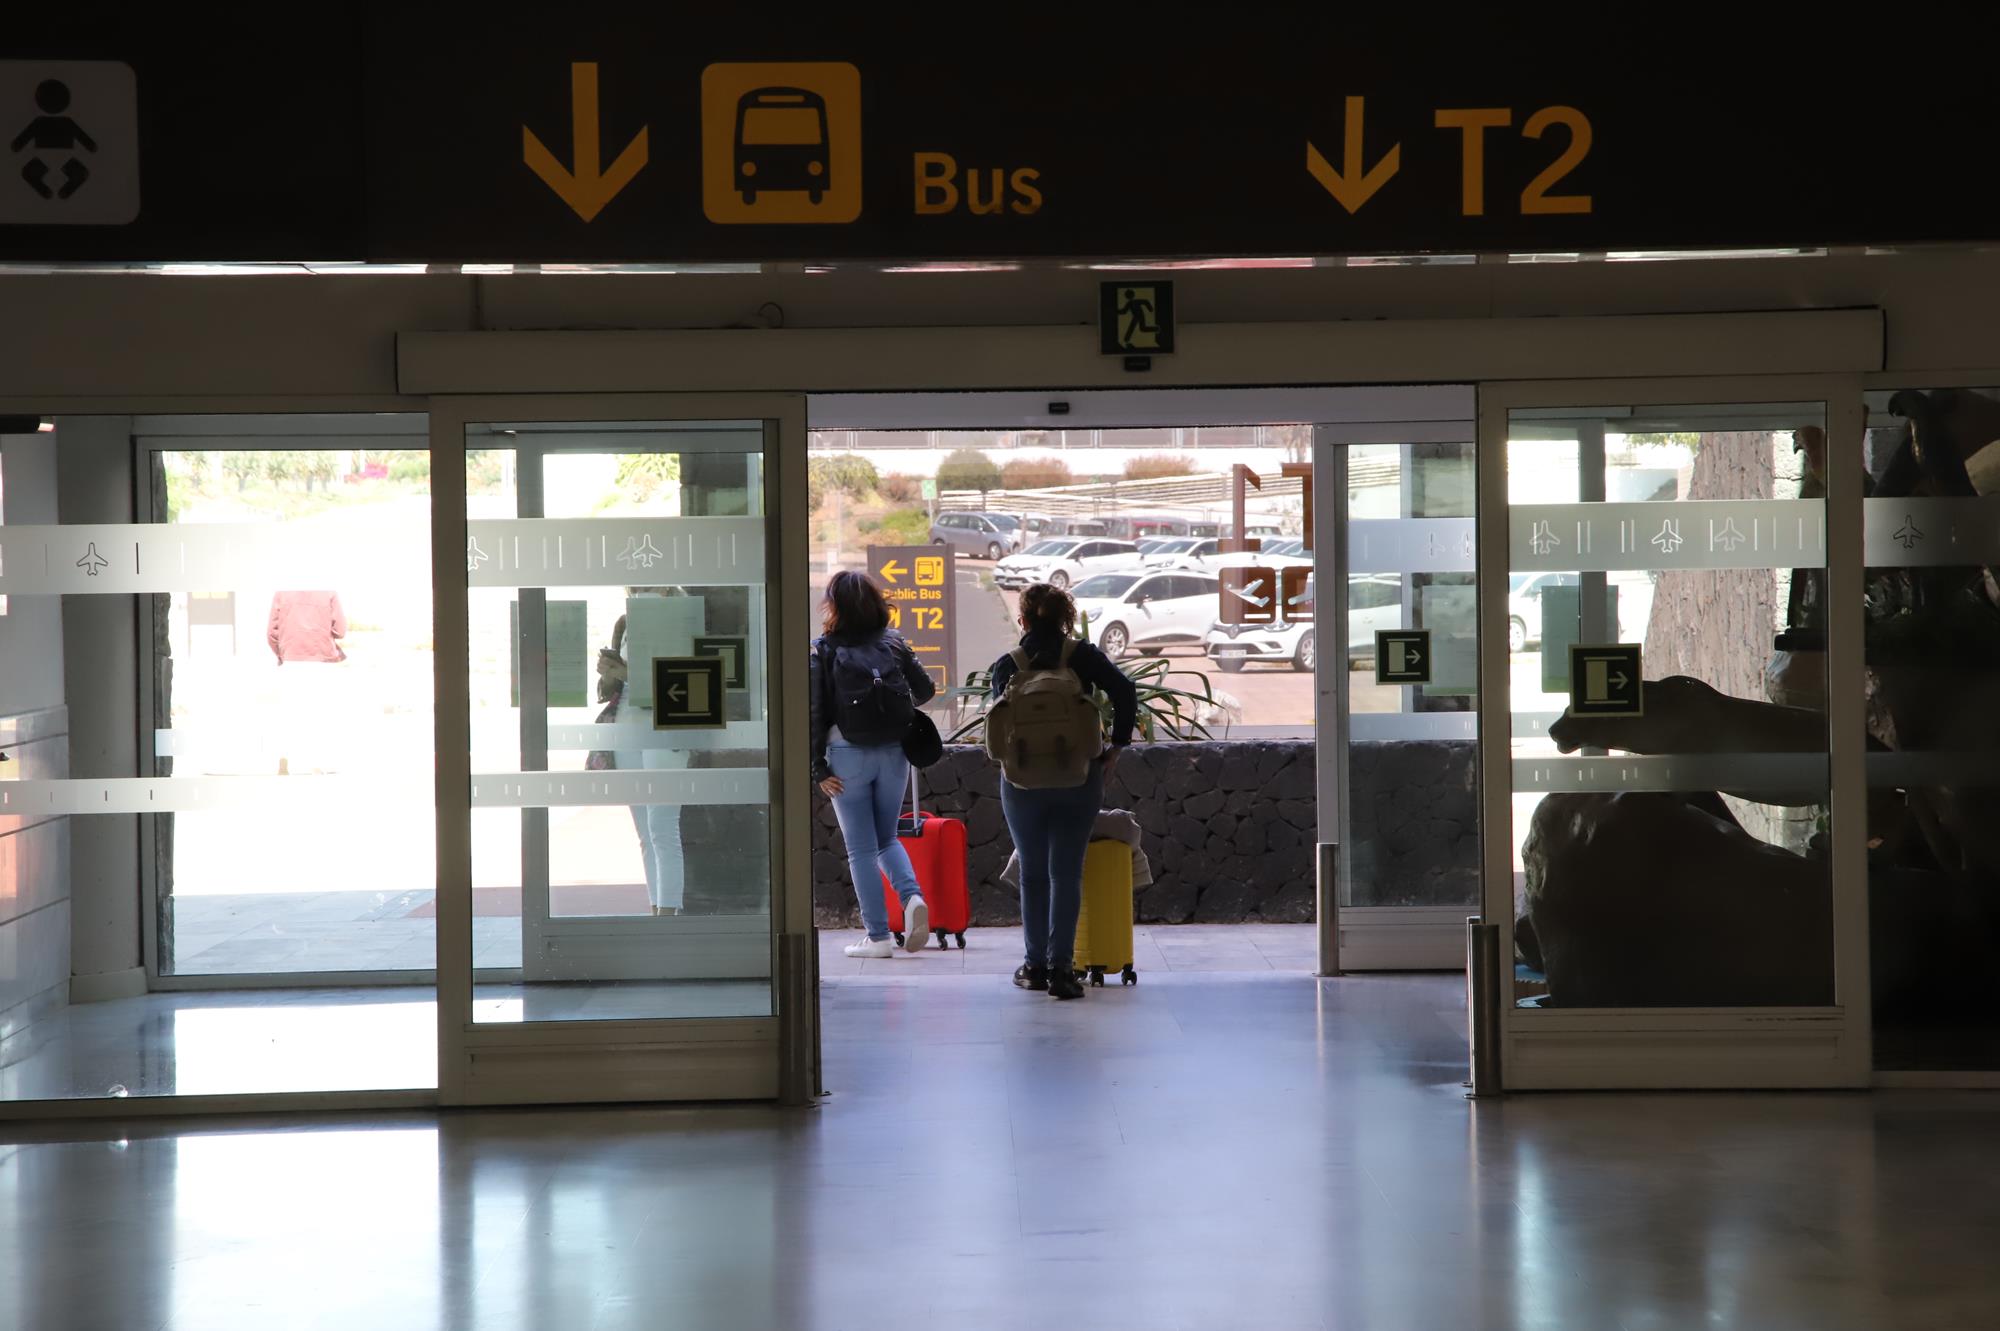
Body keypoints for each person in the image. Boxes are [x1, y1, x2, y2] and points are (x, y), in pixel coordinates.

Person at [991, 582, 1137, 1000]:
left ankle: (1034, 966)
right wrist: (1116, 749)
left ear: (1022, 620)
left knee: (1033, 874)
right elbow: (1125, 692)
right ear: (1066, 620)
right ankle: (1062, 971)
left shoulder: (1009, 663)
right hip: (1079, 778)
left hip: (1021, 784)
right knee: (1066, 873)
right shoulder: (1083, 657)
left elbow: (997, 726)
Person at [810, 571, 937, 959]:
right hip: (894, 753)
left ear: (834, 607)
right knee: (887, 839)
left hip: (846, 756)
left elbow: (814, 711)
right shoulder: (894, 642)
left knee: (861, 850)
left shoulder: (822, 649)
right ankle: (912, 898)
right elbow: (926, 691)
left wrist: (818, 768)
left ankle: (879, 936)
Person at [599, 590, 692, 916]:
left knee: (662, 826)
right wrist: (609, 673)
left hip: (666, 728)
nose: (638, 592)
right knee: (644, 831)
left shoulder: (680, 616)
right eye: (634, 588)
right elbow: (610, 689)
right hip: (626, 725)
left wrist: (629, 674)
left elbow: (687, 684)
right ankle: (657, 910)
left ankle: (669, 914)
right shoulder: (624, 622)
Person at [267, 589, 347, 774]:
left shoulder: (282, 594)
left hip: (291, 659)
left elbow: (271, 633)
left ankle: (284, 758)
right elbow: (340, 630)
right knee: (320, 712)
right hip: (321, 660)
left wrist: (282, 654)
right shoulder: (329, 593)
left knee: (289, 712)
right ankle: (317, 763)